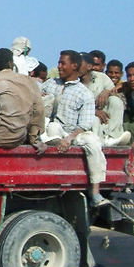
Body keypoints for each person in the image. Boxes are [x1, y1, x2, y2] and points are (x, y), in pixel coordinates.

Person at [37, 50, 108, 207]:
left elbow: (84, 124)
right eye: (59, 62)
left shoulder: (84, 94)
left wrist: (69, 139)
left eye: (63, 63)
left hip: (72, 133)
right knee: (54, 127)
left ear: (74, 66)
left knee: (93, 142)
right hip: (50, 130)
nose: (59, 66)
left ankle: (95, 191)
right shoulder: (50, 84)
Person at [0, 48, 44, 148]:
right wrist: (33, 138)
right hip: (20, 137)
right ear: (11, 63)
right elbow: (38, 111)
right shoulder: (29, 81)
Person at [78, 52, 125, 145]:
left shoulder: (102, 77)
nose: (93, 67)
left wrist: (107, 92)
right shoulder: (72, 79)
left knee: (115, 101)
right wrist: (93, 111)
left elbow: (115, 92)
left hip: (103, 119)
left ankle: (111, 137)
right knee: (94, 120)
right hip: (84, 118)